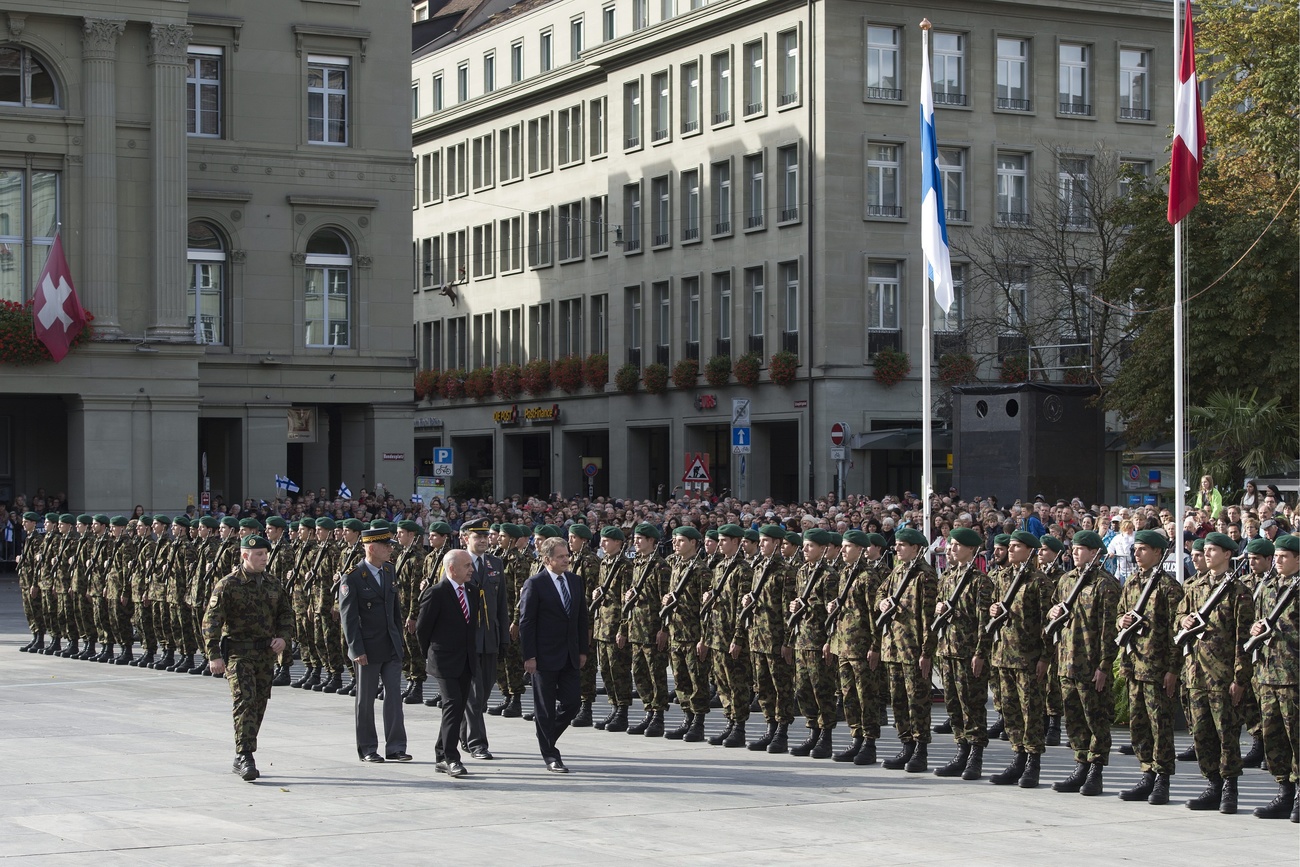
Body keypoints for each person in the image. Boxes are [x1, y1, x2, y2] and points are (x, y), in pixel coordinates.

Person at [202, 535, 295, 782]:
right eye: (258, 555)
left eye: (266, 554)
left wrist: (283, 638)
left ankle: (242, 750)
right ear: (245, 555)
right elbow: (211, 621)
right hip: (237, 654)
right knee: (245, 700)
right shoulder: (228, 585)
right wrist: (213, 655)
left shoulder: (274, 584)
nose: (264, 558)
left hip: (265, 654)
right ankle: (245, 755)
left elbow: (287, 614)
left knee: (258, 704)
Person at [1179, 532, 1253, 813]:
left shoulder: (1238, 592)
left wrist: (1239, 678)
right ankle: (1212, 784)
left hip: (1223, 677)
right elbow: (1179, 617)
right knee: (1201, 734)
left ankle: (1230, 788)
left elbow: (1242, 639)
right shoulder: (1195, 587)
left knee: (1227, 735)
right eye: (1205, 550)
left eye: (1212, 550)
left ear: (1227, 554)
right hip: (1196, 674)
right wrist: (1182, 619)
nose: (1206, 554)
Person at [1047, 530, 1119, 796]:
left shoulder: (1105, 585)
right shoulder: (1066, 581)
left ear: (1094, 553)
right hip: (1067, 661)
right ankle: (1080, 765)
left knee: (1095, 720)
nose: (1074, 552)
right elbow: (1055, 610)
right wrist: (1052, 611)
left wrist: (1104, 665)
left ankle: (1096, 771)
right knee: (1074, 719)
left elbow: (1108, 630)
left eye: (1080, 549)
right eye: (1073, 548)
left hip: (1091, 664)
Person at [1115, 530, 1184, 805]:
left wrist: (1173, 669)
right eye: (1136, 549)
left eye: (1143, 549)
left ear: (1158, 552)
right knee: (1139, 726)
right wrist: (1122, 622)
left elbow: (1176, 633)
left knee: (1161, 727)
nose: (1137, 553)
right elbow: (1120, 613)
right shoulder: (1132, 582)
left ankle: (1162, 779)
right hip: (1135, 665)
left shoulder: (1169, 588)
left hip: (1157, 668)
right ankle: (1146, 774)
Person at [339, 526, 410, 763]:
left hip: (390, 645)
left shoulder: (389, 570)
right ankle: (368, 747)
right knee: (366, 700)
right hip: (367, 649)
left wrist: (400, 642)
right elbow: (348, 618)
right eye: (386, 545)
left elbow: (395, 612)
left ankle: (396, 747)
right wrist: (356, 649)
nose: (391, 548)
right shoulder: (353, 577)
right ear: (371, 548)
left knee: (394, 698)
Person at [518, 536, 590, 773]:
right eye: (560, 556)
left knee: (572, 703)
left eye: (567, 555)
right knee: (545, 708)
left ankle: (547, 736)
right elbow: (527, 622)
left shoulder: (575, 581)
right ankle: (550, 754)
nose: (566, 560)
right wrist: (529, 656)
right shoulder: (535, 583)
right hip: (544, 656)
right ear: (547, 559)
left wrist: (582, 650)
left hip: (569, 655)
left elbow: (581, 618)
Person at [988, 530, 1050, 788]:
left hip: (1028, 657)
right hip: (1003, 655)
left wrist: (1046, 657)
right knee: (1011, 713)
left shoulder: (1040, 582)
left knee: (1031, 713)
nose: (1010, 550)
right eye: (1009, 546)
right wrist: (993, 609)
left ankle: (1033, 763)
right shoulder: (1002, 577)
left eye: (1016, 546)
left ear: (1030, 551)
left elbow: (1048, 624)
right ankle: (1018, 758)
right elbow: (995, 609)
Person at [931, 526, 994, 780]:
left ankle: (975, 756)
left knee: (972, 706)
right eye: (950, 544)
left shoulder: (980, 582)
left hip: (968, 653)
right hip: (948, 650)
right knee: (954, 705)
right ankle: (961, 751)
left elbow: (984, 623)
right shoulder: (946, 578)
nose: (951, 548)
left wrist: (980, 653)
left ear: (971, 549)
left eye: (957, 545)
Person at [415, 549, 479, 778]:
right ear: (452, 568)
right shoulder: (436, 593)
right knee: (452, 704)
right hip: (443, 661)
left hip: (465, 660)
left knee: (457, 706)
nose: (472, 569)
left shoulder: (471, 591)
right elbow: (422, 630)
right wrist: (431, 655)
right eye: (467, 566)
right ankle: (451, 758)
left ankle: (441, 753)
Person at [1249, 533, 1299, 821]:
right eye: (1276, 556)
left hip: (1294, 675)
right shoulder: (1268, 586)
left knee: (1297, 737)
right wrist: (1257, 630)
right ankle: (1284, 791)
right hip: (1267, 673)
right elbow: (1256, 621)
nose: (1277, 561)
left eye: (1283, 557)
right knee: (1273, 737)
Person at [460, 518, 509, 760]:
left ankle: (463, 731)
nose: (482, 540)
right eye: (476, 536)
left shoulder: (495, 563)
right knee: (474, 693)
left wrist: (504, 640)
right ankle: (478, 742)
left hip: (490, 636)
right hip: (467, 638)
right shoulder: (458, 562)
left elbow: (501, 604)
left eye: (485, 536)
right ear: (465, 538)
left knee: (486, 689)